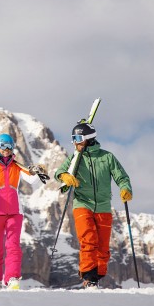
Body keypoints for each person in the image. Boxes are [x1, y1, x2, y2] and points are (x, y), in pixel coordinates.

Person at [54, 122, 132, 289]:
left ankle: (96, 276)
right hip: (82, 203)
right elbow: (59, 172)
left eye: (78, 138)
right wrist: (65, 177)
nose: (75, 142)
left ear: (89, 139)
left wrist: (125, 188)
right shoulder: (75, 158)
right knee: (88, 240)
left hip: (103, 206)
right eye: (73, 139)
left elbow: (122, 177)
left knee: (102, 247)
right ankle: (89, 277)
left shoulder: (107, 157)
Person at [0, 133, 45, 290]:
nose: (7, 150)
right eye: (3, 146)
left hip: (15, 212)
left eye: (10, 147)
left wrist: (38, 169)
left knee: (13, 245)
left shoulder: (16, 166)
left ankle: (12, 278)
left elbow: (32, 179)